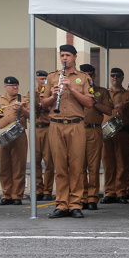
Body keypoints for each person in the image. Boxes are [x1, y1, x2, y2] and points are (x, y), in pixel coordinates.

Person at [40, 44, 93, 218]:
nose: (64, 58)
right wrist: (54, 96)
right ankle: (62, 204)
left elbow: (89, 103)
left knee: (76, 166)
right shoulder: (51, 77)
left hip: (76, 125)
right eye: (62, 55)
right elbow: (43, 104)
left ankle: (76, 204)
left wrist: (70, 88)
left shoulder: (84, 78)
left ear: (75, 57)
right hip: (55, 124)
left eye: (68, 55)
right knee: (60, 166)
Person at [78, 64, 113, 211]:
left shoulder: (102, 92)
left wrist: (94, 102)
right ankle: (82, 197)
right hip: (78, 129)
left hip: (94, 130)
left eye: (91, 74)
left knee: (93, 166)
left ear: (95, 76)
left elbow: (109, 111)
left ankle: (92, 198)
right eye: (85, 74)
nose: (89, 77)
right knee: (79, 166)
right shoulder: (76, 91)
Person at [101, 67, 129, 205]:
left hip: (121, 131)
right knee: (108, 163)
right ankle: (109, 192)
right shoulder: (105, 93)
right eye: (113, 75)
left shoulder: (127, 94)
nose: (115, 78)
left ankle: (121, 192)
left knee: (122, 163)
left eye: (118, 76)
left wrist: (125, 107)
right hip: (105, 132)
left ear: (122, 78)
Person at [0, 76, 30, 205]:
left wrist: (22, 109)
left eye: (17, 85)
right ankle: (6, 194)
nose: (15, 87)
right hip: (2, 134)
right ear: (6, 87)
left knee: (18, 166)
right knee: (3, 166)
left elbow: (32, 116)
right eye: (12, 86)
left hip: (18, 134)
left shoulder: (23, 100)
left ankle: (17, 195)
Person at [33, 70, 55, 201]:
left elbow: (49, 108)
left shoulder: (51, 92)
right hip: (36, 128)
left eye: (45, 79)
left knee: (49, 161)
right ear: (37, 80)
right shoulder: (32, 93)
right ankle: (38, 189)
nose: (43, 82)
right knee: (36, 161)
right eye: (41, 79)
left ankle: (48, 190)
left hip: (48, 127)